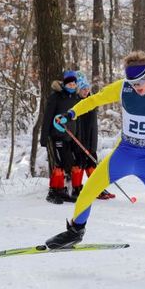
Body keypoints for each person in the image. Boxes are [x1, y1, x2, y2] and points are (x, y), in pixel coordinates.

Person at [45, 50, 145, 274]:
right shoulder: (123, 88)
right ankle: (75, 231)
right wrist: (70, 114)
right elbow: (93, 100)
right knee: (90, 188)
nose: (138, 87)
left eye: (141, 81)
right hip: (125, 152)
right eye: (133, 82)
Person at [71, 72, 116, 200]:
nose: (85, 91)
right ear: (78, 89)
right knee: (78, 163)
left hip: (91, 140)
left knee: (92, 163)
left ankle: (97, 189)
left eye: (87, 88)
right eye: (83, 89)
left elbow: (93, 125)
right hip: (79, 140)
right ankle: (76, 189)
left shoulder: (91, 101)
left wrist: (93, 142)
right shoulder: (75, 103)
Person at [40, 71, 81, 204]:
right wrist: (44, 137)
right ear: (64, 84)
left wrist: (78, 134)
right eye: (70, 83)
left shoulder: (75, 98)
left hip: (71, 136)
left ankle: (62, 191)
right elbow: (47, 117)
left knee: (70, 163)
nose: (72, 85)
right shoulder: (56, 97)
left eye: (74, 83)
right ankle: (53, 192)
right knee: (60, 164)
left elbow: (76, 119)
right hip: (57, 135)